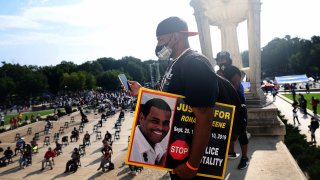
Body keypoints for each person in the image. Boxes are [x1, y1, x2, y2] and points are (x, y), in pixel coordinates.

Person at [128, 16, 219, 179]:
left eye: (160, 39)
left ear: (175, 37)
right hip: (179, 151)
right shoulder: (175, 63)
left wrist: (193, 164)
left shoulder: (195, 64)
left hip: (190, 159)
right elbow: (169, 99)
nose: (158, 45)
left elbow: (205, 116)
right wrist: (141, 92)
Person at [215, 51, 250, 170]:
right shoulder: (218, 72)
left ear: (228, 60)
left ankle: (245, 158)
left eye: (223, 59)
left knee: (241, 133)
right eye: (219, 59)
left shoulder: (234, 70)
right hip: (225, 106)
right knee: (226, 131)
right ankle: (231, 152)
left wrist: (221, 76)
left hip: (238, 105)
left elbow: (233, 87)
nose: (221, 61)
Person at [129, 98, 172, 166]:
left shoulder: (154, 141)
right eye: (154, 121)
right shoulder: (133, 152)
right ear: (142, 118)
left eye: (166, 123)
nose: (160, 128)